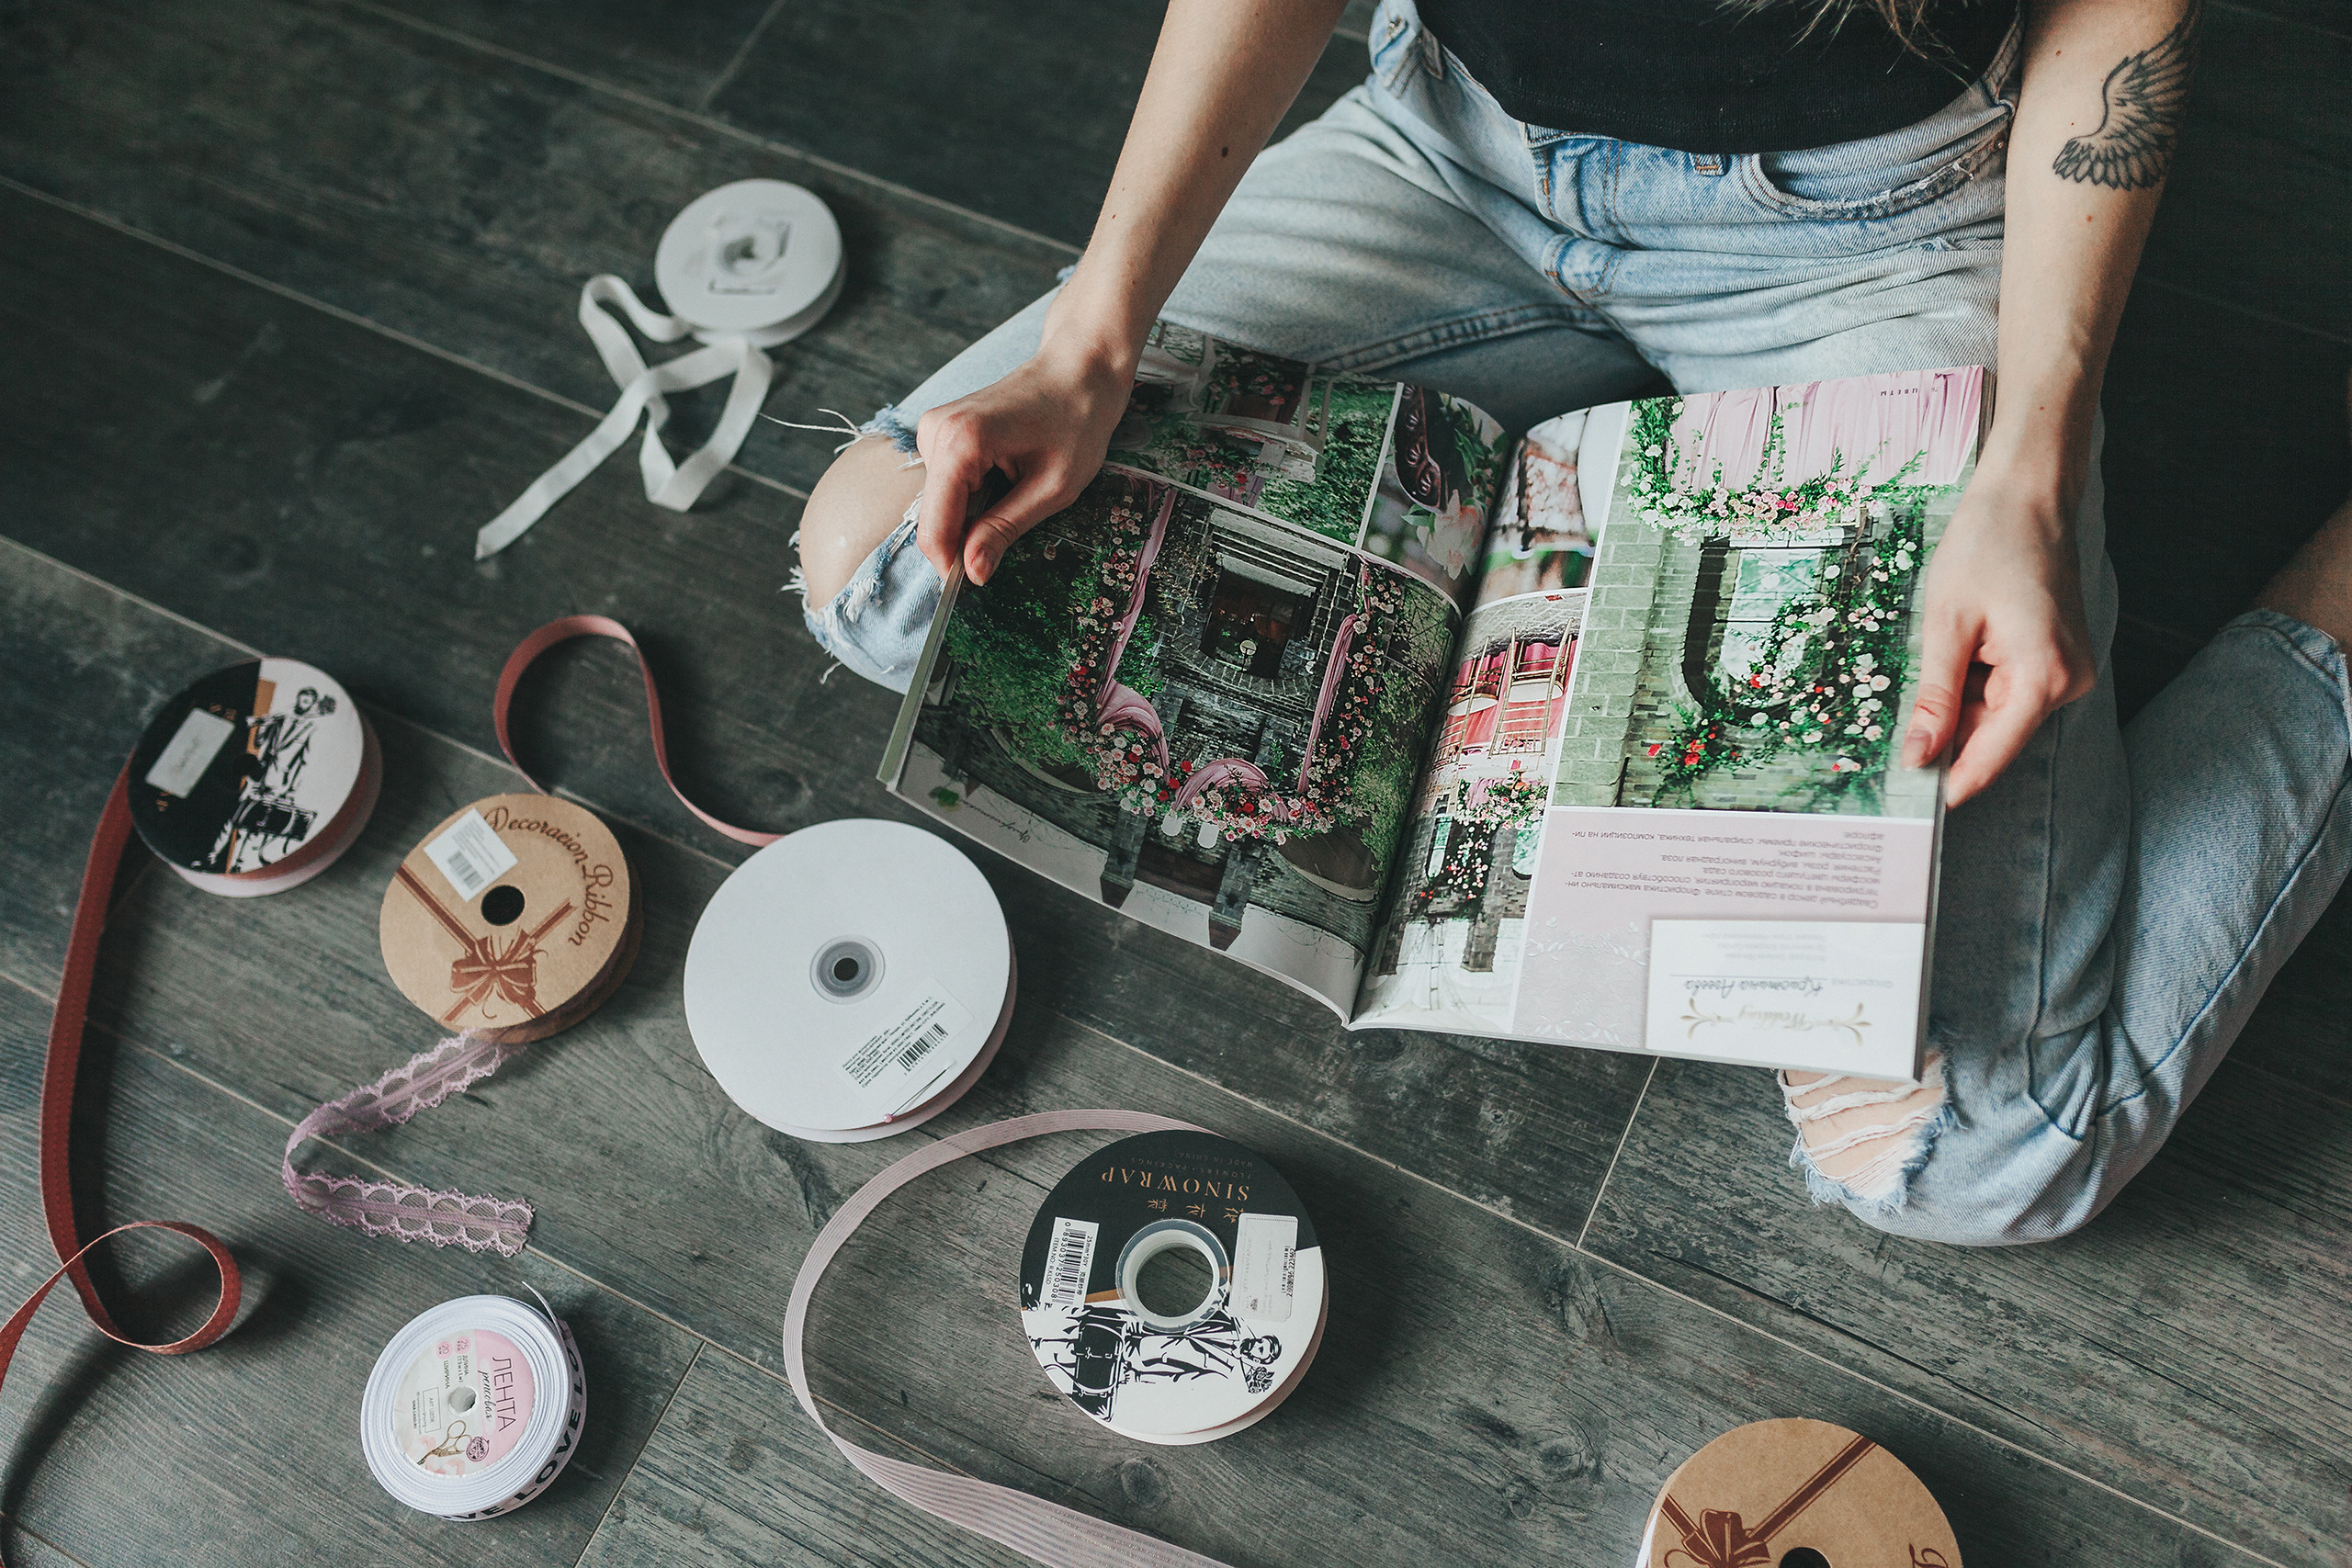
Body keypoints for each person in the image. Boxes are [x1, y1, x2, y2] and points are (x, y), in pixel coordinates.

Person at [793, 0, 2352, 1244]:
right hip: (1453, 154)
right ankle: (1590, 466)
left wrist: (2031, 456)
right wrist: (1093, 341)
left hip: (1874, 230)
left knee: (1976, 1157)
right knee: (893, 567)